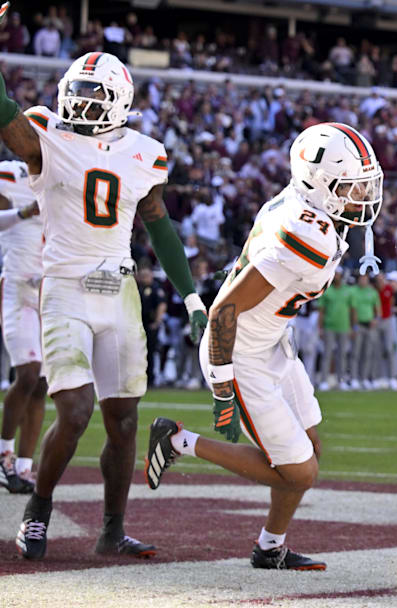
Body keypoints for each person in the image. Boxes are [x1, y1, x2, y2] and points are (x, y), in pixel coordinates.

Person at [144, 122, 383, 570]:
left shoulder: (306, 208)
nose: (363, 196)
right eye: (353, 186)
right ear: (320, 183)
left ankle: (270, 546)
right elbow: (223, 313)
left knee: (311, 447)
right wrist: (222, 388)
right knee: (300, 471)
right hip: (242, 353)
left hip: (274, 341)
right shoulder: (306, 232)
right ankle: (179, 440)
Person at [0, 51, 208, 560]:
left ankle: (112, 530)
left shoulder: (146, 152)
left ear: (120, 100)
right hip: (65, 287)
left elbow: (158, 221)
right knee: (73, 411)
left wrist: (192, 295)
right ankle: (37, 512)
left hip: (119, 291)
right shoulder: (46, 132)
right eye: (78, 90)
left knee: (124, 421)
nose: (81, 100)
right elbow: (4, 110)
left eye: (94, 92)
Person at [0, 160, 45, 494]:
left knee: (42, 384)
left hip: (51, 289)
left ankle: (25, 467)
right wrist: (24, 213)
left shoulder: (66, 173)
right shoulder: (11, 173)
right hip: (17, 285)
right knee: (27, 374)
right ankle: (3, 453)